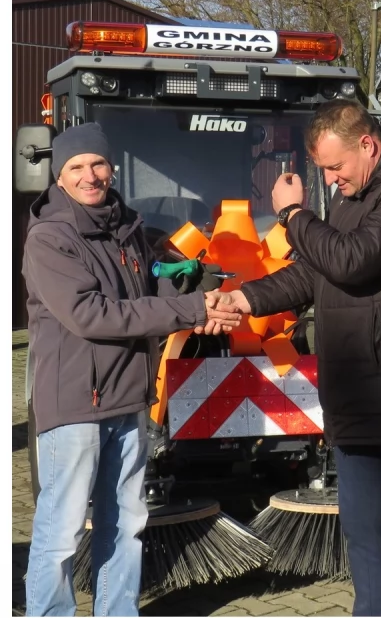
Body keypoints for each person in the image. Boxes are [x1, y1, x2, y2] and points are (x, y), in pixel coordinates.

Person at [217, 99, 381, 616]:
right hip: (356, 391)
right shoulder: (356, 192)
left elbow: (351, 261)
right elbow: (319, 268)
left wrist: (292, 214)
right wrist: (243, 299)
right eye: (325, 171)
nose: (331, 179)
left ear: (369, 145)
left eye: (336, 167)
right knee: (360, 530)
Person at [23, 122, 242, 617]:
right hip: (76, 405)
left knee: (126, 524)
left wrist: (198, 295)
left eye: (97, 164)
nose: (89, 175)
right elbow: (92, 315)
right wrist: (193, 311)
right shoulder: (49, 238)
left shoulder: (129, 228)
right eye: (76, 167)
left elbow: (144, 299)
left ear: (112, 167)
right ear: (59, 178)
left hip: (128, 399)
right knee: (61, 532)